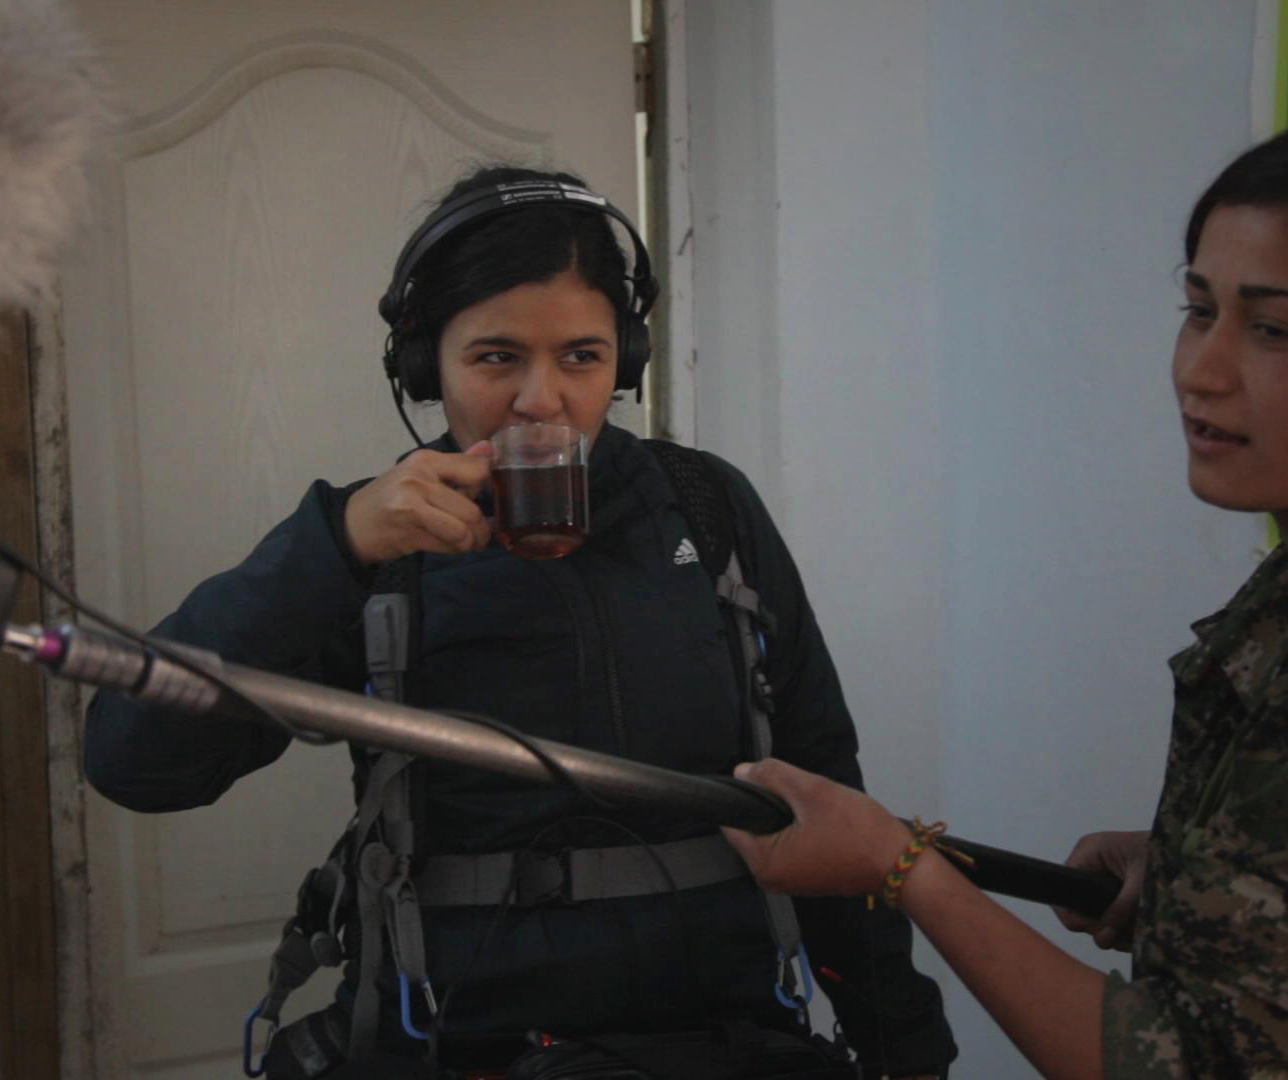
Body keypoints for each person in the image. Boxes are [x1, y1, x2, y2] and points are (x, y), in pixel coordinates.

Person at [725, 119, 1288, 1078]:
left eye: (1276, 329)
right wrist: (1207, 873)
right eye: (1200, 309)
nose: (1202, 370)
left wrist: (898, 865)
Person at [83, 165, 955, 1079]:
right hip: (456, 1049)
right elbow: (136, 763)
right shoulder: (372, 544)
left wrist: (907, 1048)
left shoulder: (706, 509)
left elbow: (824, 783)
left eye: (581, 355)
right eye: (497, 357)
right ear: (425, 365)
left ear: (628, 356)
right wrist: (334, 547)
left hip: (723, 1046)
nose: (542, 401)